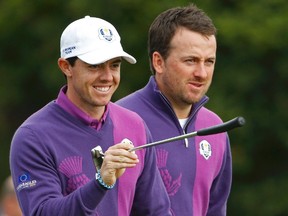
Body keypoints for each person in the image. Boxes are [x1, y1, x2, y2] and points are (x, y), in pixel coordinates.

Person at [9, 16, 171, 216]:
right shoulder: (33, 136)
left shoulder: (134, 125)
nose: (107, 76)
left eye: (114, 65)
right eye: (94, 66)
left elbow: (156, 211)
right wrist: (100, 183)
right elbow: (43, 212)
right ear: (65, 66)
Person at [117, 4, 232, 216]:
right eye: (191, 61)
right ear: (159, 62)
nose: (202, 73)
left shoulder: (216, 128)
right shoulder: (118, 121)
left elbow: (216, 210)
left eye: (209, 62)